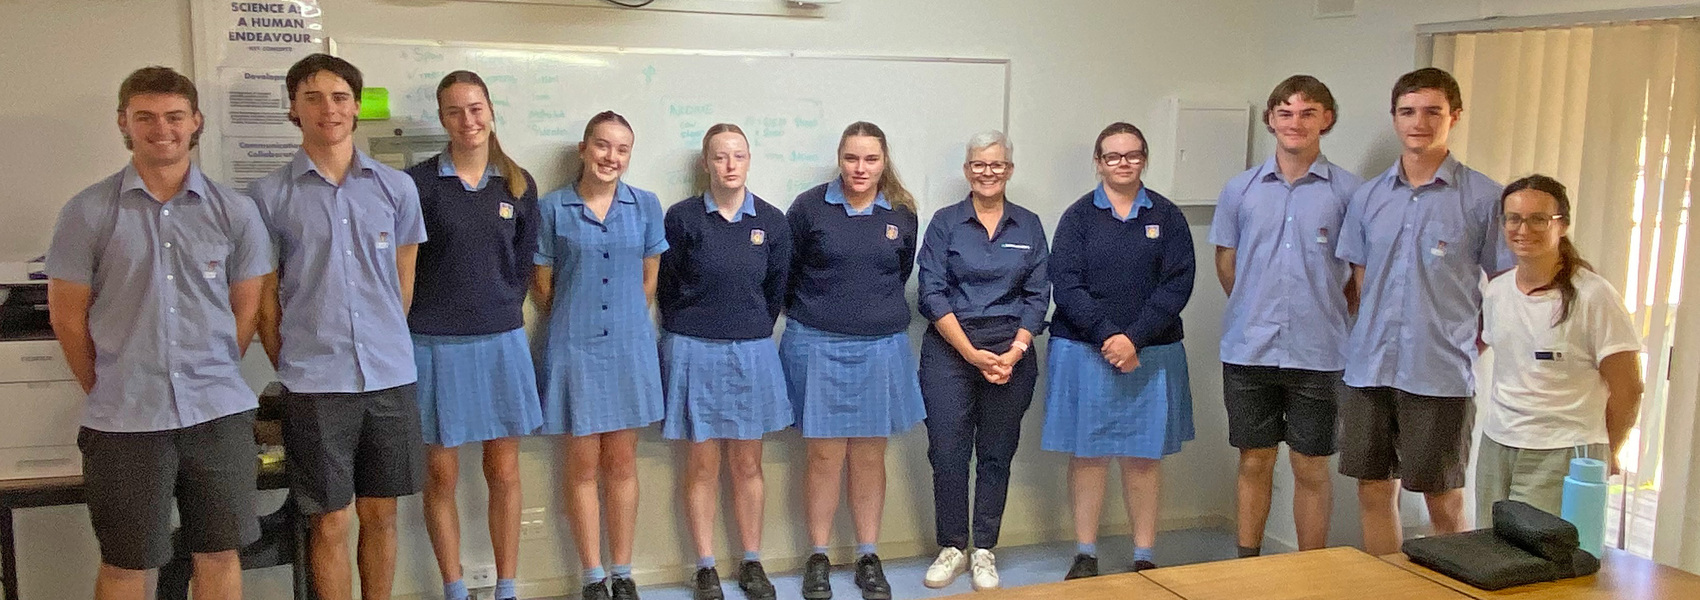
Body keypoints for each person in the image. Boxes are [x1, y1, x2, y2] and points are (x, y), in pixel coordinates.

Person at [45, 65, 270, 600]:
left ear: (196, 121)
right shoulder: (87, 212)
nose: (160, 129)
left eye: (174, 116)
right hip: (124, 420)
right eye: (145, 117)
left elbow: (246, 311)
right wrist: (107, 386)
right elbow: (66, 317)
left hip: (217, 413)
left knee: (218, 555)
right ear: (124, 123)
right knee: (128, 564)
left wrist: (210, 369)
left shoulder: (235, 212)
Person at [249, 53, 428, 600]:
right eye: (312, 98)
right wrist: (294, 361)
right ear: (293, 110)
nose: (328, 109)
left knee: (381, 514)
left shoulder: (397, 189)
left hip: (389, 377)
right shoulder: (267, 196)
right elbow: (265, 301)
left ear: (355, 108)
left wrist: (380, 342)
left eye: (339, 97)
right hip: (315, 383)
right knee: (329, 522)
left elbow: (403, 283)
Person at [1336, 67, 1515, 555]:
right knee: (1373, 490)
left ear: (1454, 116)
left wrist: (1472, 342)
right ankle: (1385, 586)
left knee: (1444, 498)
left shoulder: (1484, 198)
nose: (1419, 122)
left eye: (1432, 111)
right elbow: (1359, 280)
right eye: (1408, 111)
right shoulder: (1367, 197)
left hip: (1439, 373)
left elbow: (1504, 288)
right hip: (1369, 368)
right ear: (1395, 118)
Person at [404, 70, 543, 600]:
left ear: (491, 111)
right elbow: (403, 266)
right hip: (433, 344)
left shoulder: (518, 183)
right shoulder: (416, 184)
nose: (469, 120)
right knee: (440, 476)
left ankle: (507, 586)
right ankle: (455, 587)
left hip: (500, 342)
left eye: (476, 108)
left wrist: (503, 306)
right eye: (455, 111)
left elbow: (525, 262)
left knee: (503, 471)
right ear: (442, 119)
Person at [1209, 75, 1362, 556]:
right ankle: (1248, 565)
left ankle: (1308, 572)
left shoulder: (1350, 192)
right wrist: (1258, 306)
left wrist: (1325, 313)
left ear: (1327, 119)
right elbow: (1227, 264)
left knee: (1311, 467)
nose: (1295, 123)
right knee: (1254, 461)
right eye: (1286, 112)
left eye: (1308, 112)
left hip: (1320, 353)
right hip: (1249, 347)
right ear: (1271, 119)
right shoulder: (1241, 189)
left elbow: (1358, 278)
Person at [1045, 122, 1196, 578]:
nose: (1123, 163)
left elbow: (1178, 283)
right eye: (1112, 156)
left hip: (1151, 354)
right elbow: (1066, 284)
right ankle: (1086, 553)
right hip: (1086, 351)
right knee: (1088, 456)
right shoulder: (1076, 218)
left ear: (1144, 159)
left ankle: (1144, 555)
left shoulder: (1167, 216)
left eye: (1131, 155)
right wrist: (1110, 336)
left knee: (1143, 458)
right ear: (1098, 162)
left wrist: (1135, 338)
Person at [782, 121, 923, 600]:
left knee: (868, 456)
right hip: (816, 343)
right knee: (823, 455)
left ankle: (867, 555)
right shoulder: (807, 208)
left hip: (881, 346)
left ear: (884, 162)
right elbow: (785, 272)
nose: (860, 169)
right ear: (839, 159)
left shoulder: (902, 213)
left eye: (871, 159)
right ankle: (818, 556)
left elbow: (899, 273)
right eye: (851, 158)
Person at [532, 110, 667, 600]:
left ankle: (623, 572)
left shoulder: (647, 205)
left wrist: (625, 323)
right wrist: (580, 320)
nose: (612, 157)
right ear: (585, 149)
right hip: (575, 349)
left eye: (622, 149)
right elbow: (543, 286)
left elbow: (649, 280)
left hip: (630, 348)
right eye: (603, 145)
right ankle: (593, 576)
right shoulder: (551, 208)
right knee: (582, 466)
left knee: (623, 464)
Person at [657, 123, 792, 600]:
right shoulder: (681, 218)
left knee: (748, 464)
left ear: (749, 160)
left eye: (738, 156)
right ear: (706, 163)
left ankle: (751, 562)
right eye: (720, 157)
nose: (730, 165)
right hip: (693, 348)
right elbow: (666, 287)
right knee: (700, 465)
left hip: (751, 351)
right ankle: (706, 567)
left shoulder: (772, 222)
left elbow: (776, 289)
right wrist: (696, 328)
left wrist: (747, 327)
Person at [916, 131, 1048, 591]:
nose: (987, 172)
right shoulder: (945, 223)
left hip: (1011, 354)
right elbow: (930, 291)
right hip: (951, 351)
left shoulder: (1029, 225)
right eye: (978, 165)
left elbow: (1038, 295)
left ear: (1009, 170)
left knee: (996, 453)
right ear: (967, 170)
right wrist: (970, 352)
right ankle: (953, 546)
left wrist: (1014, 351)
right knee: (948, 452)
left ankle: (985, 549)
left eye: (996, 165)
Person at [1477, 174, 1643, 524]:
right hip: (1499, 445)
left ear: (1562, 224)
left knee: (1540, 564)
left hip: (1563, 450)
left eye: (1539, 219)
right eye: (1514, 218)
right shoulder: (1497, 291)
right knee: (1488, 554)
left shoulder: (1594, 296)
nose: (1524, 229)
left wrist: (1606, 450)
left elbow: (1628, 388)